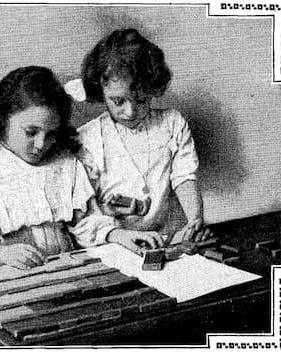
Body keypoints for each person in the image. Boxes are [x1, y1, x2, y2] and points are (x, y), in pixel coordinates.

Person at [0, 66, 159, 274]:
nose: (41, 144)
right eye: (30, 132)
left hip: (64, 273)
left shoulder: (64, 164)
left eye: (51, 134)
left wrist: (118, 234)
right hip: (9, 280)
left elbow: (85, 221)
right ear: (2, 121)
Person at [74, 28, 212, 247]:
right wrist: (116, 234)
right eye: (118, 101)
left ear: (152, 89)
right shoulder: (87, 138)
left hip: (169, 237)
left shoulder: (172, 123)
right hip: (114, 244)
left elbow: (184, 176)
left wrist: (194, 220)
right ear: (100, 90)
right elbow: (83, 216)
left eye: (140, 100)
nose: (130, 112)